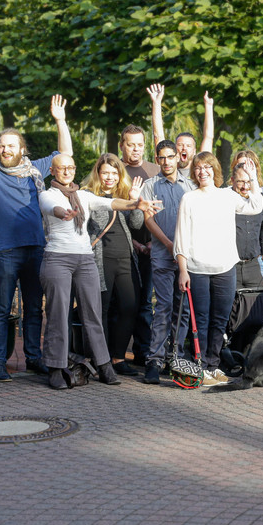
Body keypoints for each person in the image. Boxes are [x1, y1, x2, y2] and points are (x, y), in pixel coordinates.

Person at [0, 96, 72, 381]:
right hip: (6, 252)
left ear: (22, 149)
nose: (4, 150)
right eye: (0, 146)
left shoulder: (36, 170)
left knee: (34, 308)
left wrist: (61, 121)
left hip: (36, 248)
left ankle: (33, 357)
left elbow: (65, 155)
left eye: (10, 145)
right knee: (1, 308)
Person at [39, 154, 158, 389]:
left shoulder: (83, 196)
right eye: (62, 168)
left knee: (93, 314)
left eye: (71, 167)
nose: (67, 172)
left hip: (85, 260)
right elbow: (51, 208)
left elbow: (111, 203)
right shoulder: (47, 194)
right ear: (52, 171)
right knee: (58, 314)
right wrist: (63, 213)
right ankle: (55, 368)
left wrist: (136, 203)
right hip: (58, 258)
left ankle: (104, 365)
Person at [174, 153, 263, 386]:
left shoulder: (227, 196)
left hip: (225, 267)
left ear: (215, 170)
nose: (203, 171)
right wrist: (183, 270)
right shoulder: (189, 198)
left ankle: (213, 366)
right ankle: (200, 366)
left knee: (220, 320)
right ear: (194, 173)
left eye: (207, 167)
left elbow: (255, 206)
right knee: (201, 320)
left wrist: (252, 177)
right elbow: (181, 238)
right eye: (198, 168)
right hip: (197, 268)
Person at [84, 153, 147, 376]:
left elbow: (137, 224)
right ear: (98, 174)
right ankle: (100, 360)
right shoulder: (88, 195)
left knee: (129, 307)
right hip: (100, 260)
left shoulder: (124, 194)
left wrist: (136, 201)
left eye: (114, 173)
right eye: (105, 173)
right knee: (99, 310)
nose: (110, 177)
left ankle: (119, 357)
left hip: (126, 258)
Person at [140, 140, 196, 384]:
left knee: (182, 309)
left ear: (177, 157)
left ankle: (176, 356)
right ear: (157, 158)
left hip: (187, 259)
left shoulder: (191, 186)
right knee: (163, 307)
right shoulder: (150, 186)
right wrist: (169, 244)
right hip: (163, 256)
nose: (166, 162)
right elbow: (148, 220)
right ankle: (155, 359)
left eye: (170, 157)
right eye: (161, 158)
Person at [118, 124, 159, 369]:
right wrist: (132, 242)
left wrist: (155, 240)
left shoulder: (154, 171)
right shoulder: (114, 170)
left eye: (140, 144)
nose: (136, 149)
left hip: (153, 246)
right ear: (122, 145)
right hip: (124, 247)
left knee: (146, 302)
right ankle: (117, 352)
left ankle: (143, 351)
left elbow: (161, 208)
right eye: (130, 144)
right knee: (124, 302)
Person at [147, 83, 214, 179]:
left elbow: (208, 138)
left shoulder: (200, 171)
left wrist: (209, 106)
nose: (184, 148)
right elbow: (158, 136)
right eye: (180, 145)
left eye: (188, 146)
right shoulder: (167, 167)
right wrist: (156, 102)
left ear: (194, 151)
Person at [231, 161, 263, 289]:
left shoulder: (262, 201)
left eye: (248, 181)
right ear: (232, 180)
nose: (245, 186)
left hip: (255, 263)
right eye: (240, 182)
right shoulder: (226, 200)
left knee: (258, 303)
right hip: (231, 265)